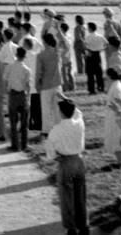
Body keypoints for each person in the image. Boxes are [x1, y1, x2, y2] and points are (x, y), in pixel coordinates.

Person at [45, 98, 87, 234]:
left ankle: (71, 227)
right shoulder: (79, 123)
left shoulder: (56, 129)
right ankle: (83, 225)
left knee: (66, 195)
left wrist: (55, 157)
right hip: (79, 161)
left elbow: (50, 149)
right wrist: (68, 102)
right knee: (80, 194)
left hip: (66, 162)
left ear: (61, 112)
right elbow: (78, 113)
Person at [35, 33, 63, 137]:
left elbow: (39, 72)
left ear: (45, 42)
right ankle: (59, 128)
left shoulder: (41, 55)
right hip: (57, 83)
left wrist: (37, 84)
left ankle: (46, 130)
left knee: (46, 109)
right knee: (57, 109)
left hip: (46, 84)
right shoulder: (57, 53)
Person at [5, 47, 32, 152]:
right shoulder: (27, 69)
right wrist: (28, 98)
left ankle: (15, 144)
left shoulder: (9, 67)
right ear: (24, 57)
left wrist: (7, 91)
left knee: (13, 121)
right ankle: (24, 144)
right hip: (22, 95)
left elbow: (5, 79)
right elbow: (28, 85)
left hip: (12, 94)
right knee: (24, 122)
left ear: (16, 55)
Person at [104, 67, 121, 167]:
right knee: (115, 140)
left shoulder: (116, 87)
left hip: (116, 117)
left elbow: (120, 102)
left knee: (116, 140)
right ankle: (120, 162)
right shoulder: (118, 85)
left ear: (109, 76)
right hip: (114, 116)